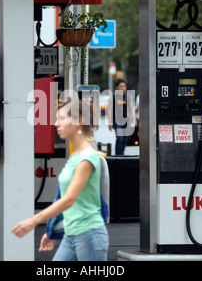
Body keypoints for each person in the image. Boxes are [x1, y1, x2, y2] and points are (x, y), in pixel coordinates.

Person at [11, 99, 109, 261]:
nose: (56, 124)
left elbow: (69, 199)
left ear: (78, 122)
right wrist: (52, 232)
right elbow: (62, 197)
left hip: (89, 235)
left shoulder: (87, 157)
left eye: (62, 119)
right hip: (72, 234)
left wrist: (33, 221)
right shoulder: (75, 156)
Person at [107, 79, 136, 155]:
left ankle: (122, 154)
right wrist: (110, 122)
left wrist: (134, 120)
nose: (122, 88)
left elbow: (132, 108)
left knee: (125, 140)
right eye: (121, 86)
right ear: (117, 87)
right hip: (117, 121)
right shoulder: (113, 97)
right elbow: (109, 110)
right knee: (120, 138)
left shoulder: (128, 97)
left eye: (124, 86)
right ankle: (118, 155)